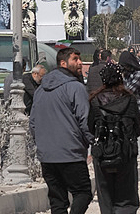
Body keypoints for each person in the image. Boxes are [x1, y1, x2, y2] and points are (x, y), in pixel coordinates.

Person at [30, 47, 94, 214]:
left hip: (47, 155)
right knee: (83, 192)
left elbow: (33, 122)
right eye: (75, 59)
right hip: (70, 153)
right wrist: (92, 143)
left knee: (57, 200)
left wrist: (41, 144)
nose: (80, 63)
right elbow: (85, 120)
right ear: (63, 63)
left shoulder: (40, 90)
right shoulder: (75, 88)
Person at [88, 62, 140, 214]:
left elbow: (90, 127)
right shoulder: (130, 100)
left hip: (102, 153)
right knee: (126, 194)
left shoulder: (95, 101)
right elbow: (137, 127)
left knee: (105, 193)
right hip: (125, 153)